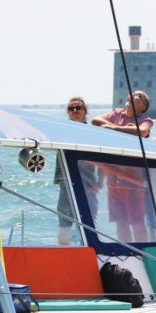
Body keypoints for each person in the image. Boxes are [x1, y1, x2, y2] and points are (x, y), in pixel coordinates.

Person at [92, 91, 153, 243]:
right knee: (121, 223)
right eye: (130, 93)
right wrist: (121, 128)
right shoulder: (116, 114)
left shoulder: (145, 119)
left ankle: (143, 254)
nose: (131, 95)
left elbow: (143, 131)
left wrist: (113, 129)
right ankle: (126, 253)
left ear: (143, 106)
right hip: (113, 182)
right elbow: (95, 120)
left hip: (134, 182)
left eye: (137, 95)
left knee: (137, 223)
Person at [55, 97, 99, 245]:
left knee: (89, 225)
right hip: (65, 183)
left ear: (85, 111)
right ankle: (64, 255)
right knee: (64, 226)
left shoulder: (93, 133)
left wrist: (100, 182)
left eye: (78, 107)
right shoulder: (60, 131)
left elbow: (102, 158)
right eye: (71, 108)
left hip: (88, 184)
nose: (75, 111)